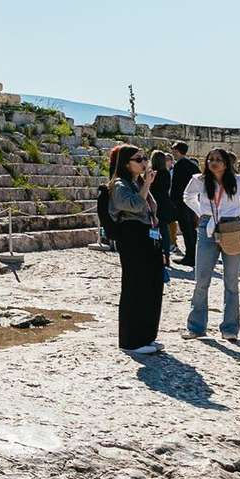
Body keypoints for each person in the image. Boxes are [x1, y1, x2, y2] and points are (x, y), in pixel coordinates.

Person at [182, 147, 240, 340]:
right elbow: (187, 196)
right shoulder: (199, 180)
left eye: (218, 159)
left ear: (226, 163)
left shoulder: (239, 181)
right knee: (201, 279)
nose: (214, 162)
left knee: (231, 281)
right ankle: (196, 327)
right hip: (207, 227)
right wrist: (201, 212)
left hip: (232, 228)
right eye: (210, 159)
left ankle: (230, 329)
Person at [98, 144, 165, 355]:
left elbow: (151, 208)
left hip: (147, 235)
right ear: (126, 164)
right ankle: (131, 340)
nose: (144, 162)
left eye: (145, 158)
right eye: (139, 159)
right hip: (132, 236)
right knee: (135, 286)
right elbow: (134, 205)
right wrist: (147, 185)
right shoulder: (119, 185)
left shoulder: (137, 182)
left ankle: (147, 335)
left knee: (151, 286)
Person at [167, 142, 201, 265]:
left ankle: (190, 257)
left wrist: (172, 202)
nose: (172, 152)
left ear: (177, 150)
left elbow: (176, 186)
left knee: (186, 229)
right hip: (192, 201)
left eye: (173, 149)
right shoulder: (192, 165)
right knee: (191, 229)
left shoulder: (179, 165)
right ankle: (194, 255)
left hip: (181, 202)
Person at [149, 150, 180, 266]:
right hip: (164, 203)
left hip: (154, 204)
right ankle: (166, 256)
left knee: (153, 229)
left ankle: (155, 253)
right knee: (164, 231)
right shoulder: (166, 173)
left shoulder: (152, 173)